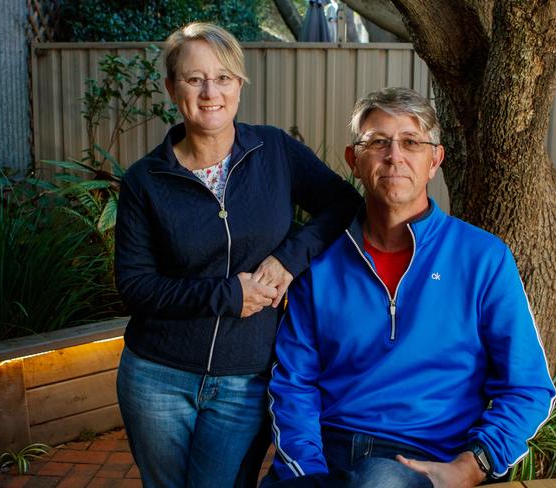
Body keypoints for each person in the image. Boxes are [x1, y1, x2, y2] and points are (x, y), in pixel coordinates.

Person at [266, 87, 556, 488]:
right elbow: (293, 382)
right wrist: (309, 473)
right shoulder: (320, 262)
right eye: (378, 142)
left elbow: (528, 386)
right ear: (354, 160)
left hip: (432, 457)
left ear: (435, 159)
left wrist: (471, 467)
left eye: (411, 143)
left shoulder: (482, 258)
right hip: (328, 455)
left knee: (380, 480)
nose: (394, 156)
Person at [114, 22, 361, 488]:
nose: (211, 92)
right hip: (156, 377)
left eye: (224, 78)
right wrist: (228, 295)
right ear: (171, 88)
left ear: (240, 85)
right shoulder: (144, 180)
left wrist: (290, 257)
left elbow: (344, 205)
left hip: (245, 379)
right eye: (194, 79)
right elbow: (135, 286)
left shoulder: (275, 152)